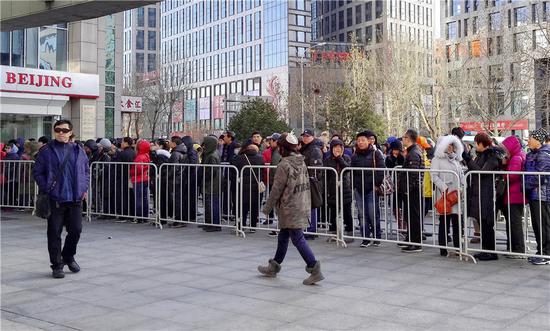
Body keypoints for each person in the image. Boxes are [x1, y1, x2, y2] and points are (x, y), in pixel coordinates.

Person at [258, 132, 324, 285]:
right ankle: (273, 267)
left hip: (289, 206)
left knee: (297, 238)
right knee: (283, 236)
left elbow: (276, 189)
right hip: (301, 203)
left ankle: (314, 268)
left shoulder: (284, 164)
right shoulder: (301, 161)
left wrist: (267, 208)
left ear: (283, 147)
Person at [33, 119, 89, 278]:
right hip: (55, 199)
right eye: (58, 130)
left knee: (76, 230)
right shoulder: (47, 151)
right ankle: (57, 265)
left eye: (64, 130)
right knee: (54, 233)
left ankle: (68, 256)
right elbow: (37, 172)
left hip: (75, 199)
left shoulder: (79, 149)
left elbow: (85, 171)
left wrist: (83, 187)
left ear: (71, 132)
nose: (61, 133)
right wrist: (47, 187)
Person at [465, 132, 504, 261]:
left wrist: (468, 160)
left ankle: (491, 252)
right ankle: (485, 250)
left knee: (487, 223)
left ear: (482, 143)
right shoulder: (481, 155)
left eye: (477, 143)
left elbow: (482, 172)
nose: (475, 146)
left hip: (487, 192)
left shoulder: (492, 156)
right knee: (482, 222)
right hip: (479, 192)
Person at [430, 135, 465, 257]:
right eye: (448, 145)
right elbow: (434, 176)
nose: (450, 147)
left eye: (452, 145)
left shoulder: (456, 160)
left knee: (457, 222)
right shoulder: (436, 160)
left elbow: (461, 176)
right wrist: (445, 188)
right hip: (444, 196)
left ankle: (457, 247)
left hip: (456, 195)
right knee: (444, 222)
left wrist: (462, 187)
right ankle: (443, 248)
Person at [351, 130, 385, 247]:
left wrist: (376, 185)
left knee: (372, 213)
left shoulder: (376, 154)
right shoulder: (354, 156)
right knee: (361, 214)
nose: (360, 142)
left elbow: (381, 170)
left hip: (371, 188)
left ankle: (376, 236)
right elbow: (351, 172)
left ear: (368, 141)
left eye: (363, 140)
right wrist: (354, 186)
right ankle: (365, 238)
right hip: (359, 189)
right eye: (358, 140)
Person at [525, 128, 550, 265]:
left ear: (538, 140)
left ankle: (546, 254)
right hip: (535, 195)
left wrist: (526, 186)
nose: (528, 140)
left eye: (531, 138)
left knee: (544, 225)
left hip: (543, 195)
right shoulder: (532, 154)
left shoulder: (544, 154)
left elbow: (539, 177)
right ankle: (541, 251)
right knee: (536, 225)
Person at [398, 129, 425, 253]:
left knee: (414, 216)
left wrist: (408, 189)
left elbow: (413, 174)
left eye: (404, 137)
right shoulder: (413, 151)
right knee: (410, 215)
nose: (402, 140)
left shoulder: (414, 153)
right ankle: (411, 239)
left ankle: (416, 242)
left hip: (412, 190)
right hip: (411, 189)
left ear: (408, 139)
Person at [501, 135, 527, 257]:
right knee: (513, 222)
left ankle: (518, 249)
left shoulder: (516, 157)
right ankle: (513, 248)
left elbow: (512, 176)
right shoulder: (518, 155)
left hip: (514, 195)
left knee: (514, 223)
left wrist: (503, 168)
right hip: (515, 194)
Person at [323, 139, 353, 236]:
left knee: (347, 212)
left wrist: (339, 158)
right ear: (331, 148)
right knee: (333, 212)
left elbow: (347, 168)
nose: (338, 149)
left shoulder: (347, 157)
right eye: (335, 147)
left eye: (340, 147)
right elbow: (326, 175)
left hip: (345, 188)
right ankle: (333, 231)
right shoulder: (328, 160)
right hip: (333, 189)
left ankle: (349, 231)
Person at [233, 140, 264, 231]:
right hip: (255, 186)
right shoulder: (260, 158)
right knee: (254, 206)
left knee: (243, 206)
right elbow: (262, 172)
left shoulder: (239, 158)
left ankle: (241, 225)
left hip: (242, 186)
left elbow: (233, 170)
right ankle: (253, 226)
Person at [300, 129, 323, 240]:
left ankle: (311, 230)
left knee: (312, 207)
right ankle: (308, 229)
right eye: (304, 136)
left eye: (307, 136)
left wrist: (312, 179)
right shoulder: (304, 148)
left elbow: (316, 168)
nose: (305, 137)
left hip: (311, 181)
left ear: (312, 137)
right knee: (306, 207)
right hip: (304, 181)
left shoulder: (314, 149)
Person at [200, 136, 222, 232]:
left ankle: (214, 224)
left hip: (212, 184)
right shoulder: (210, 153)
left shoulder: (212, 155)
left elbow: (212, 171)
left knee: (212, 204)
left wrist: (204, 178)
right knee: (209, 204)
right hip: (211, 183)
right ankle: (209, 223)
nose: (203, 146)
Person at [168, 136, 189, 225]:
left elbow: (174, 168)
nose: (169, 143)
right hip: (181, 178)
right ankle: (181, 219)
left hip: (176, 179)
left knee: (177, 200)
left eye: (170, 142)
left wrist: (167, 176)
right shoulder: (183, 151)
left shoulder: (175, 154)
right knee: (179, 199)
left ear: (174, 143)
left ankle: (178, 219)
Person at [115, 137, 136, 219]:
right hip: (131, 177)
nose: (121, 143)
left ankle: (123, 215)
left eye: (123, 142)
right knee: (131, 196)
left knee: (123, 196)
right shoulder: (134, 153)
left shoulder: (122, 154)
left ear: (126, 143)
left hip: (123, 177)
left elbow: (118, 167)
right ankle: (131, 214)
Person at [130, 140, 151, 221]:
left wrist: (130, 172)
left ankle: (139, 216)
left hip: (138, 179)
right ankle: (144, 216)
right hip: (145, 178)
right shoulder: (146, 155)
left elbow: (138, 170)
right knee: (144, 198)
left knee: (138, 199)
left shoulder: (139, 157)